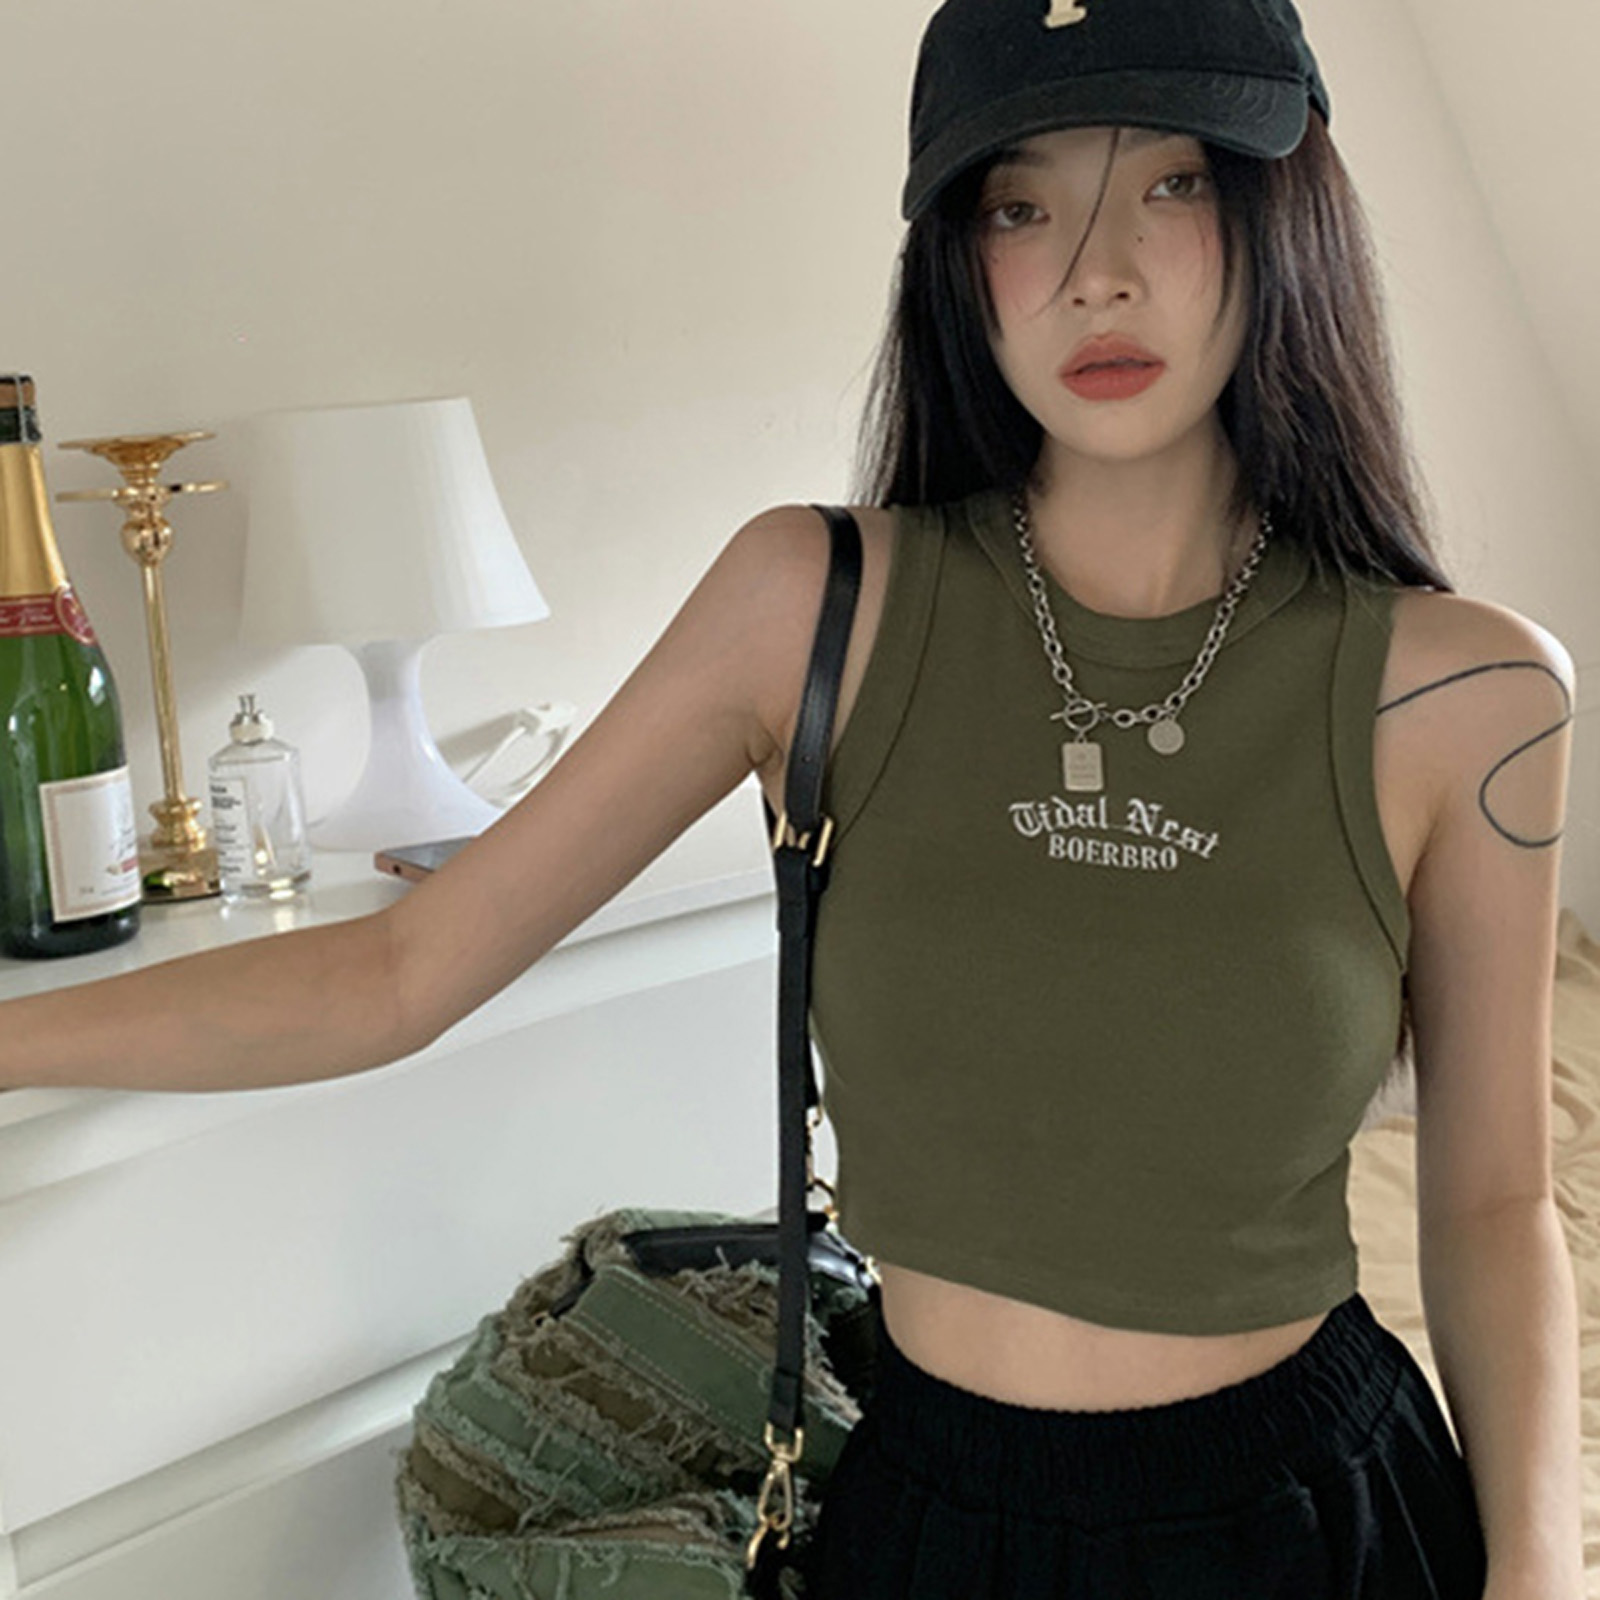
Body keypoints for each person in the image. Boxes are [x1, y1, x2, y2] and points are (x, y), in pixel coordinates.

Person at [0, 0, 1584, 1595]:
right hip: (935, 1521)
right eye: (1018, 206)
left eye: (1173, 183)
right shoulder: (813, 607)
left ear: (1288, 206)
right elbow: (399, 970)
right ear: (954, 262)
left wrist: (1539, 1570)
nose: (1095, 272)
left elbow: (1495, 1196)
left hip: (1316, 1525)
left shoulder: (1466, 696)